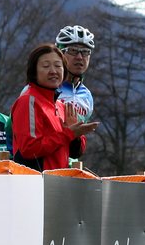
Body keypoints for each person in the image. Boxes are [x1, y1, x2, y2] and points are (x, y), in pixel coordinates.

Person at [11, 43, 99, 171]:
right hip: (35, 183)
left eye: (58, 66)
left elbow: (75, 153)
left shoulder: (60, 105)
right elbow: (29, 149)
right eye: (46, 66)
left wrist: (76, 135)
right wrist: (68, 134)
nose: (53, 71)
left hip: (58, 181)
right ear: (34, 71)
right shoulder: (28, 100)